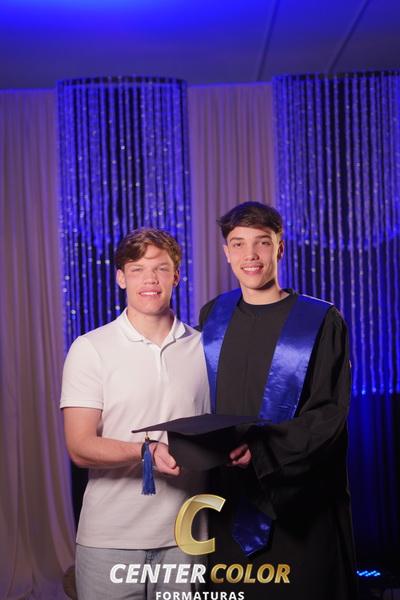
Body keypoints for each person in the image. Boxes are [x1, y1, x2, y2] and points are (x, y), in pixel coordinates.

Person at [199, 202, 357, 599]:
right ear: (226, 252)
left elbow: (329, 413)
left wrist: (261, 451)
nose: (250, 255)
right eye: (238, 244)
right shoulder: (213, 316)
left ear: (280, 247)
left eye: (262, 242)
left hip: (300, 504)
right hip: (227, 501)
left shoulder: (321, 320)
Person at [60, 228, 209, 600]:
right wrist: (147, 451)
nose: (150, 279)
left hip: (187, 537)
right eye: (138, 269)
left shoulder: (205, 348)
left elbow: (214, 431)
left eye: (161, 268)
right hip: (110, 539)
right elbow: (79, 447)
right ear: (121, 277)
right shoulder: (91, 348)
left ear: (176, 276)